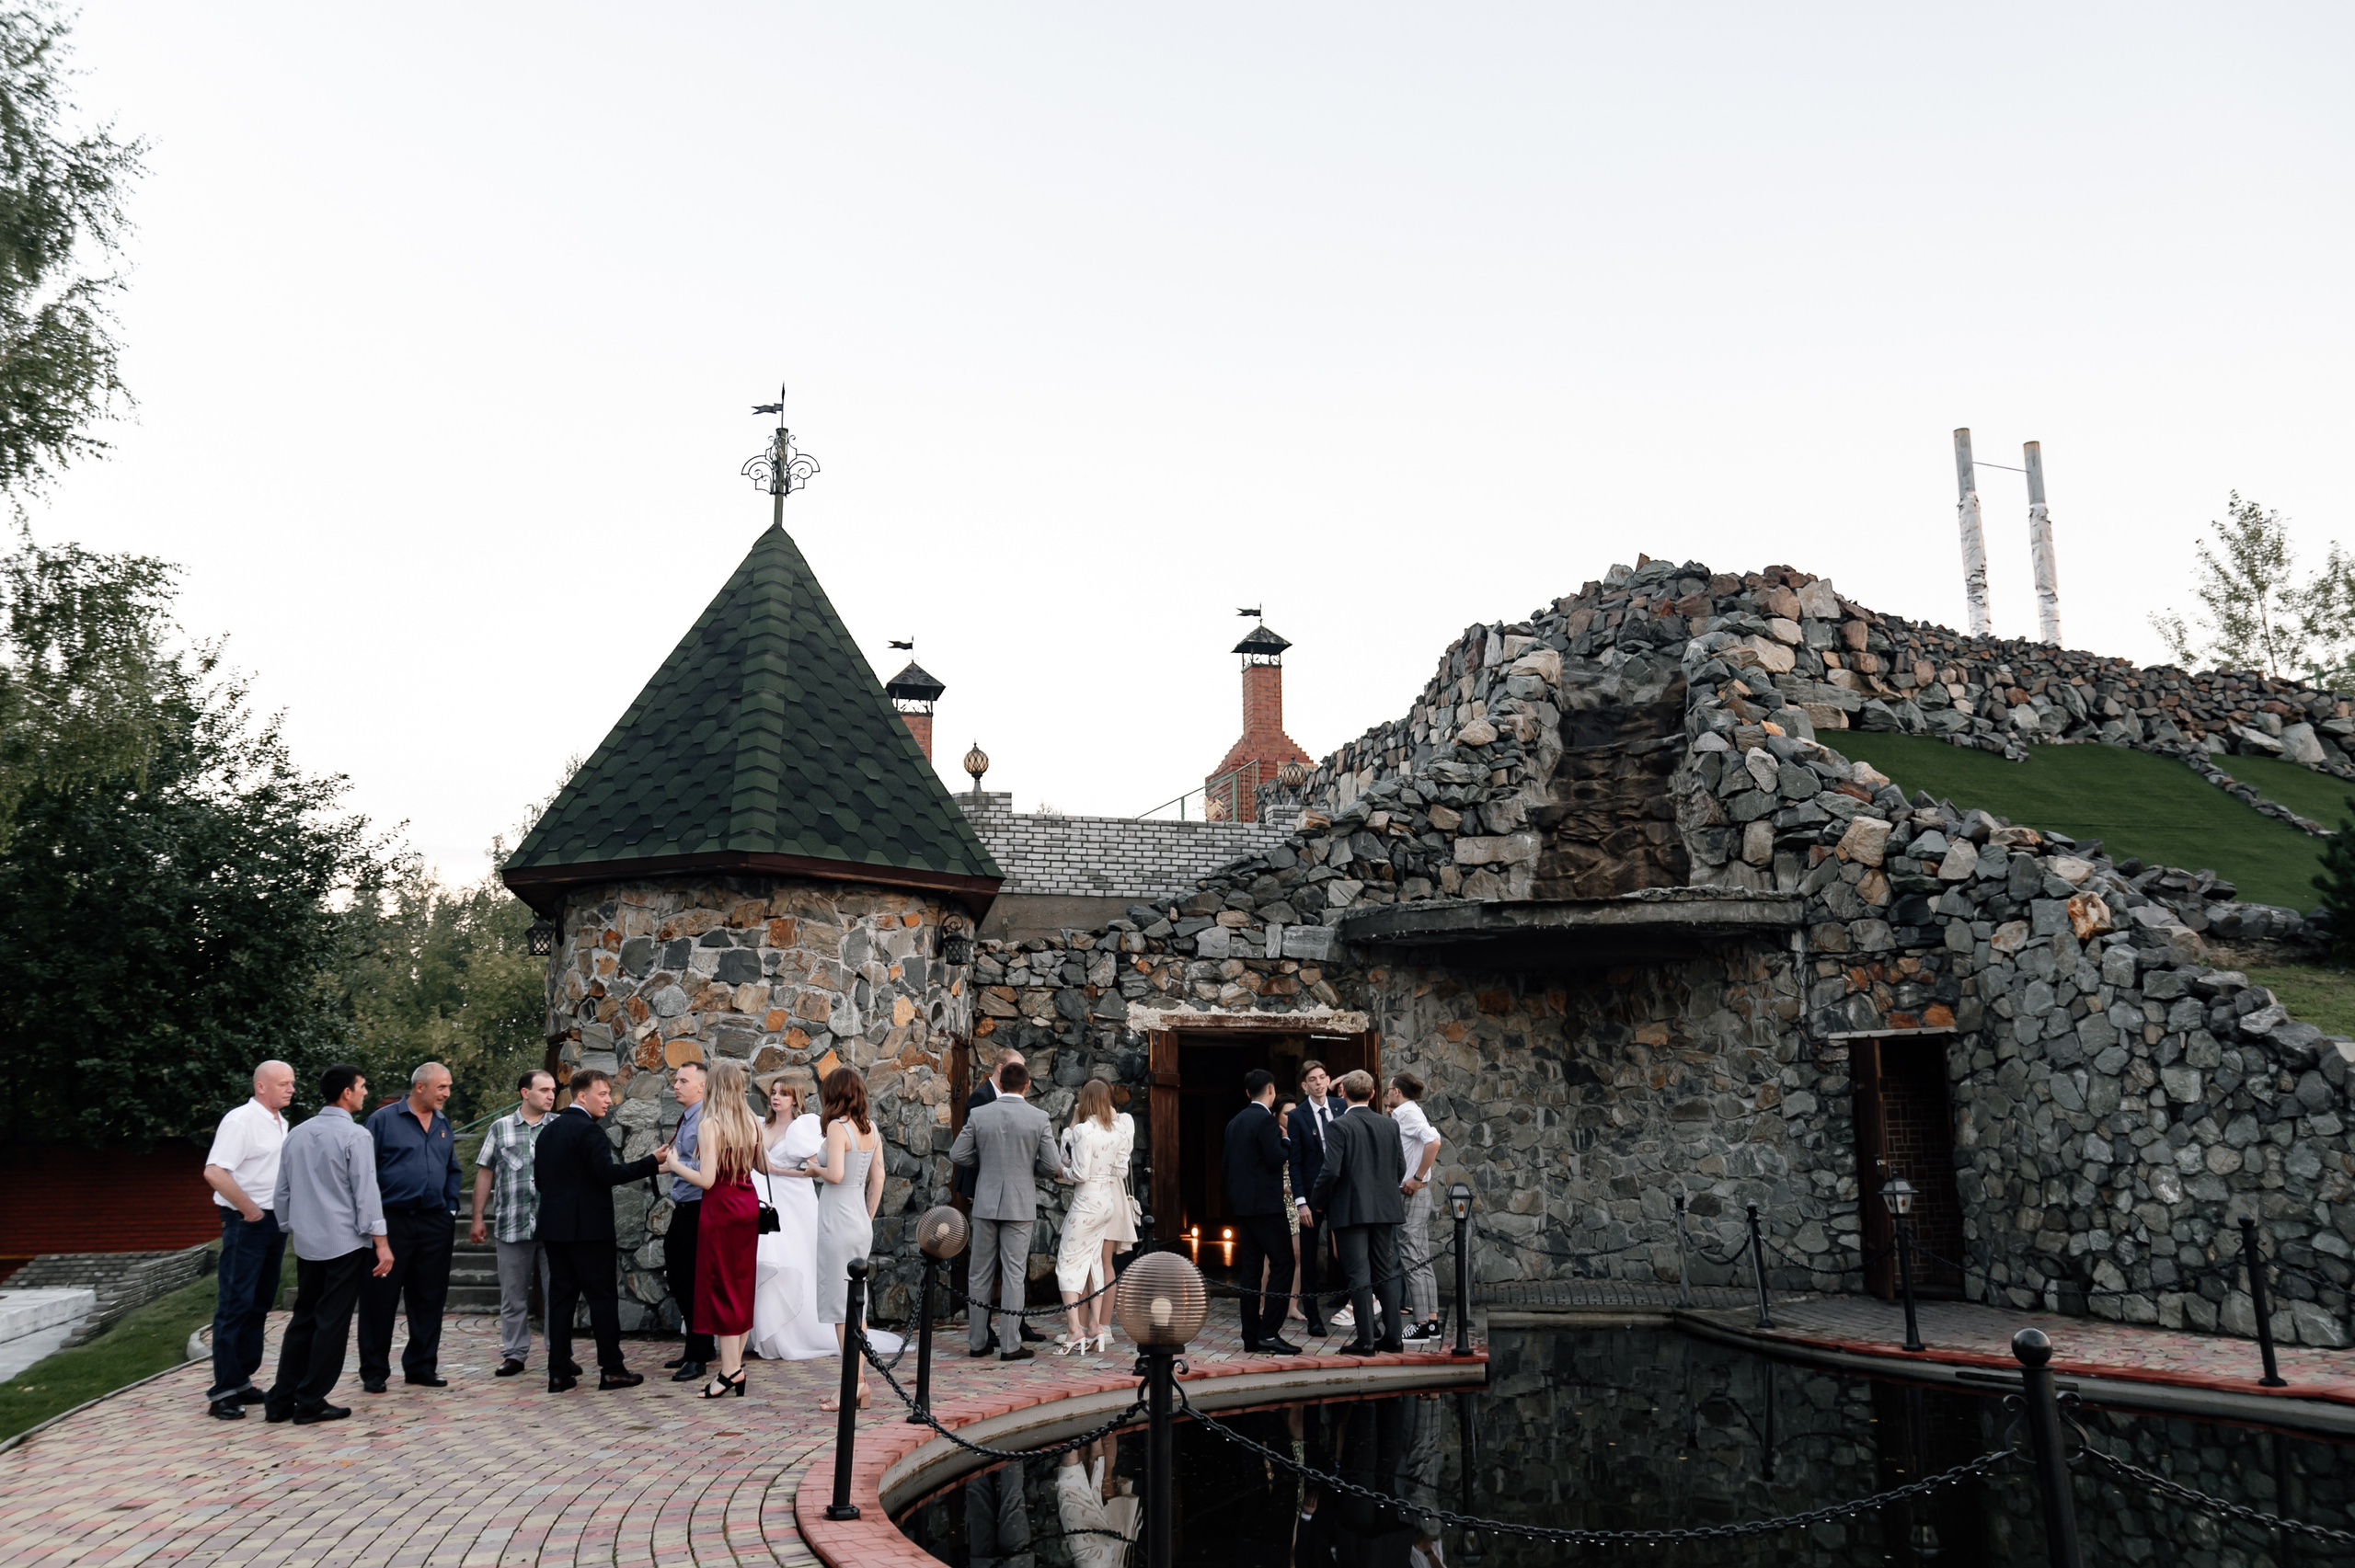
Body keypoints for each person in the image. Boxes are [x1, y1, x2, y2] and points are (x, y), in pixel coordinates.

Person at [264, 1064, 393, 1425]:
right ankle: (310, 1400)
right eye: (363, 1086)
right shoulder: (356, 1136)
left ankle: (280, 1399)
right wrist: (381, 1244)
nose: (366, 1092)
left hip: (308, 1243)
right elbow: (366, 1195)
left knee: (304, 1319)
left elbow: (282, 1192)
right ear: (347, 1093)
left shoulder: (298, 1134)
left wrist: (294, 1226)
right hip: (345, 1243)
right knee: (332, 1323)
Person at [534, 1067, 666, 1391]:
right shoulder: (590, 1132)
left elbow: (540, 1181)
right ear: (582, 1095)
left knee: (561, 1299)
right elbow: (607, 1175)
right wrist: (651, 1161)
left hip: (555, 1229)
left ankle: (559, 1370)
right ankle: (612, 1369)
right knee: (602, 1300)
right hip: (589, 1232)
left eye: (609, 1094)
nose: (609, 1101)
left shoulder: (548, 1131)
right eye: (603, 1094)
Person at [660, 1058, 764, 1398]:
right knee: (741, 1285)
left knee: (720, 1286)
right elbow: (762, 1166)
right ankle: (733, 1369)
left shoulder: (711, 1124)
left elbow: (706, 1180)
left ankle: (730, 1370)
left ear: (714, 1086)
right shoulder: (751, 1122)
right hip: (747, 1206)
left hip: (720, 1209)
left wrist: (675, 1164)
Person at [357, 1061, 460, 1394]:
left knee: (429, 1297)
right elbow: (365, 1173)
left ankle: (421, 1366)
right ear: (420, 1087)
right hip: (392, 1221)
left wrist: (451, 1207)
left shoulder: (444, 1124)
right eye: (441, 1087)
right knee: (380, 1299)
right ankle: (374, 1371)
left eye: (448, 1087)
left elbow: (452, 1170)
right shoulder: (382, 1121)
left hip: (434, 1222)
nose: (447, 1093)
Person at [948, 1059, 1061, 1362]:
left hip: (985, 1201)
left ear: (1000, 1084)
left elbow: (957, 1153)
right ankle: (1011, 1345)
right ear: (1026, 1086)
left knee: (979, 1274)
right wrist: (1028, 1169)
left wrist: (984, 1165)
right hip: (1019, 1204)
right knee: (1013, 1274)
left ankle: (977, 1342)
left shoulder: (980, 1114)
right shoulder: (1038, 1117)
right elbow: (1052, 1165)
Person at [201, 1059, 293, 1420]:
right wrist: (250, 1211)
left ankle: (241, 1380)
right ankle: (222, 1391)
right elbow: (214, 1171)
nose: (291, 1089)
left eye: (292, 1083)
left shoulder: (280, 1123)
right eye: (284, 1083)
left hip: (273, 1223)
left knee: (259, 1303)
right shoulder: (240, 1120)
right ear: (261, 1086)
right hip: (246, 1222)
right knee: (235, 1303)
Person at [1308, 1070, 1406, 1356]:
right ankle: (1394, 1338)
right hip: (1385, 1208)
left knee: (1359, 1274)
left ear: (1343, 1094)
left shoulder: (1339, 1126)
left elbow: (1331, 1170)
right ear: (1374, 1094)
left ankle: (1365, 1341)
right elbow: (1400, 1168)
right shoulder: (1390, 1125)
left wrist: (1317, 1201)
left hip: (1352, 1208)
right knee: (1383, 1271)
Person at [469, 1068, 558, 1377]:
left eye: (553, 1090)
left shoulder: (560, 1127)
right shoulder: (500, 1128)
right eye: (544, 1090)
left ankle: (557, 1353)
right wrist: (478, 1218)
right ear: (525, 1093)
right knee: (513, 1295)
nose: (551, 1095)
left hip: (554, 1225)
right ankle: (514, 1354)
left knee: (556, 1293)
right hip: (512, 1223)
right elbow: (485, 1172)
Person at [806, 1064, 887, 1406]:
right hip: (857, 1221)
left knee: (842, 1308)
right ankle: (860, 1384)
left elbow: (835, 1175)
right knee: (857, 1305)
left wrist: (814, 1169)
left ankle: (851, 1385)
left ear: (833, 1094)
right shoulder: (871, 1129)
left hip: (837, 1221)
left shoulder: (838, 1128)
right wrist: (868, 1216)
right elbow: (879, 1177)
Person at [749, 1075, 833, 1361]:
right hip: (760, 1197)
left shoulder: (803, 1128)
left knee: (790, 1260)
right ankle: (754, 1330)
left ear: (795, 1099)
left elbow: (815, 1168)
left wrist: (774, 1169)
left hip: (793, 1200)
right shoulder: (761, 1124)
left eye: (784, 1094)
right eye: (773, 1092)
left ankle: (788, 1331)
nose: (776, 1098)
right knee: (761, 1261)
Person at [1051, 1078, 1135, 1354]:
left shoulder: (1084, 1131)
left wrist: (1063, 1174)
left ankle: (1075, 1330)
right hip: (1107, 1202)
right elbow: (1120, 1171)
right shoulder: (1117, 1133)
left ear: (1085, 1100)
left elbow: (1075, 1170)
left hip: (1086, 1202)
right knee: (1094, 1263)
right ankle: (1096, 1327)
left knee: (1067, 1262)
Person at [1222, 1068, 1299, 1355]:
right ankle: (1269, 1332)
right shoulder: (1266, 1121)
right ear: (1271, 1090)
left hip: (1243, 1208)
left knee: (1251, 1271)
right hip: (1267, 1206)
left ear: (1247, 1093)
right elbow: (1276, 1158)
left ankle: (1250, 1336)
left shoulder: (1235, 1122)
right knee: (1283, 1263)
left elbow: (1227, 1166)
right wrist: (1287, 1140)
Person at [661, 1059, 715, 1383]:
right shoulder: (689, 1118)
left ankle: (698, 1355)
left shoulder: (704, 1121)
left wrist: (672, 1164)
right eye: (676, 1080)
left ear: (702, 1087)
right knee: (680, 1277)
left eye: (683, 1081)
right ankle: (700, 1346)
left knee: (692, 1281)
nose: (676, 1086)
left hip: (698, 1208)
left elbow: (701, 1172)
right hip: (686, 1207)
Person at [1385, 1073, 1444, 1344]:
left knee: (1411, 1256)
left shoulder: (1406, 1113)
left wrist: (1418, 1177)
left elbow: (1434, 1141)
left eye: (1387, 1091)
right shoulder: (1408, 1112)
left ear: (1396, 1092)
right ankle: (1431, 1322)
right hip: (1415, 1193)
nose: (1386, 1096)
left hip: (1413, 1192)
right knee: (1420, 1256)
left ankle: (1421, 1323)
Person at [1288, 1059, 1340, 1338]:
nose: (1318, 1083)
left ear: (1328, 1079)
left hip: (1342, 1192)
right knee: (1308, 1258)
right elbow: (1294, 1162)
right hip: (1311, 1194)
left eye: (1322, 1077)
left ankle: (1357, 1309)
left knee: (1348, 1251)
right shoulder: (1297, 1116)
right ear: (1304, 1085)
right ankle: (1314, 1318)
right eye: (1313, 1079)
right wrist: (1301, 1202)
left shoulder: (1342, 1107)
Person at [1053, 1433, 1141, 1568]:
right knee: (1070, 1493)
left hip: (1109, 1551)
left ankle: (1097, 1434)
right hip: (1089, 1555)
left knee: (1099, 1478)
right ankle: (1075, 1439)